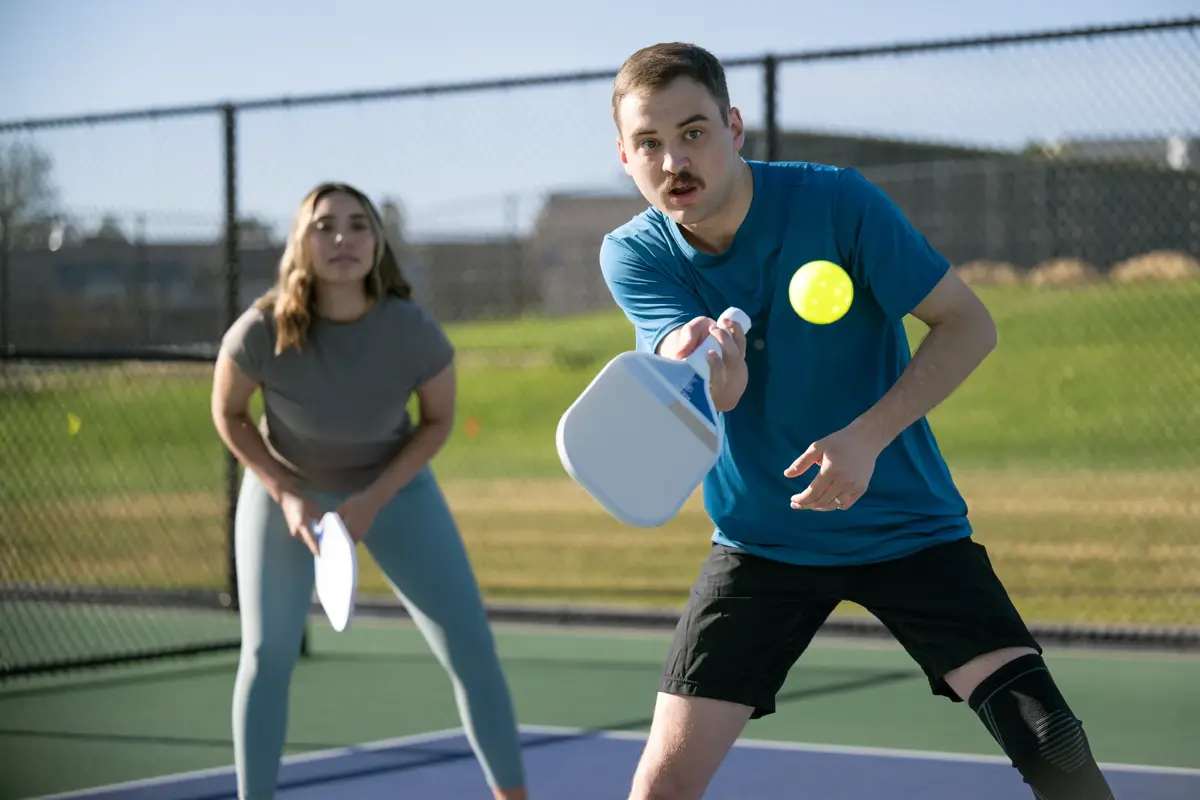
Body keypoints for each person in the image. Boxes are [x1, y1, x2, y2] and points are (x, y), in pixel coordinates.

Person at [598, 43, 1115, 800]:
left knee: (1051, 740)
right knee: (663, 784)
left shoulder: (839, 202)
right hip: (762, 540)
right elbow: (706, 378)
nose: (673, 158)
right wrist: (711, 369)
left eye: (693, 131)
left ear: (734, 127)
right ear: (624, 155)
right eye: (649, 142)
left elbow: (968, 324)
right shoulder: (634, 253)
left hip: (907, 524)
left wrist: (867, 436)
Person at [210, 182, 528, 800]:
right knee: (266, 659)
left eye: (358, 225)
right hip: (286, 498)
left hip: (395, 494)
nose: (342, 239)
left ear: (377, 243)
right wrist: (287, 492)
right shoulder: (261, 329)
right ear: (299, 244)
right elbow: (230, 414)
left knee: (472, 650)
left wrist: (375, 499)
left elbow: (436, 421)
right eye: (324, 226)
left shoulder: (412, 330)